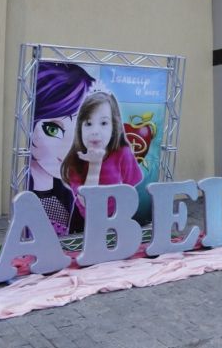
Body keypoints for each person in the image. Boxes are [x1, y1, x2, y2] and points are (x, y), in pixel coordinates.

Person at [61, 90, 143, 229]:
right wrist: (95, 164)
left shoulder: (122, 152)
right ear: (80, 128)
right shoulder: (76, 159)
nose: (95, 131)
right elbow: (87, 201)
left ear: (114, 127)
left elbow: (129, 189)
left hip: (114, 218)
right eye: (88, 123)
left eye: (103, 123)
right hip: (83, 220)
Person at [29, 62, 95, 235]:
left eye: (80, 130)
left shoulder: (69, 189)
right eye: (53, 129)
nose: (69, 148)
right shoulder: (27, 193)